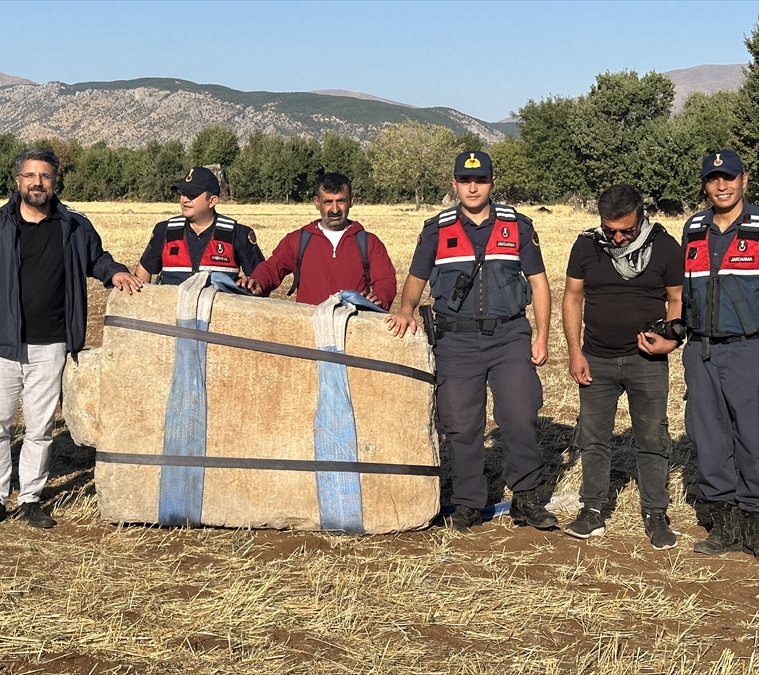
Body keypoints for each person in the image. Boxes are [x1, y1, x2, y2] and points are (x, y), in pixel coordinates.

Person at [0, 147, 141, 529]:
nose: (37, 183)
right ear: (18, 181)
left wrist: (115, 272)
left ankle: (30, 498)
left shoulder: (74, 225)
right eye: (30, 175)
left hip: (51, 343)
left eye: (44, 176)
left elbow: (97, 258)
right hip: (0, 344)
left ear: (54, 181)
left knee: (40, 429)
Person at [386, 151, 556, 532]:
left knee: (520, 414)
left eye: (480, 180)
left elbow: (539, 284)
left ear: (492, 182)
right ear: (454, 184)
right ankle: (468, 502)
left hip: (509, 336)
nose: (472, 187)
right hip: (456, 340)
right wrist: (406, 309)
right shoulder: (436, 229)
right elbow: (415, 279)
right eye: (465, 180)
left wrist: (542, 336)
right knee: (461, 425)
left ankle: (526, 498)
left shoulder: (518, 227)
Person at [682, 150, 759, 564]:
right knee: (709, 438)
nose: (722, 185)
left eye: (729, 177)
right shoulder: (693, 228)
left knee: (756, 437)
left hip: (754, 349)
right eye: (713, 178)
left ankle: (758, 527)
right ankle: (725, 525)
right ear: (704, 185)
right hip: (702, 352)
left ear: (744, 180)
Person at [561, 184, 684, 549]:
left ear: (641, 218)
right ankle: (592, 510)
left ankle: (655, 513)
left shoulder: (665, 246)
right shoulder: (585, 245)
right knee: (592, 437)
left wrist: (671, 339)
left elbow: (677, 299)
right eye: (609, 230)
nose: (616, 238)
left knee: (652, 437)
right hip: (596, 357)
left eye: (626, 231)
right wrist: (575, 352)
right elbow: (572, 298)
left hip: (647, 361)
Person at [237, 173, 397, 309]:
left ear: (351, 201)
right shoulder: (298, 240)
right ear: (317, 203)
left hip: (352, 327)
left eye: (341, 201)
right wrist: (258, 282)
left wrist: (380, 298)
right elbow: (272, 268)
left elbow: (385, 280)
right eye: (328, 202)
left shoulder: (369, 243)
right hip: (308, 327)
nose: (335, 209)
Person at [133, 166, 263, 285]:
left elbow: (260, 280)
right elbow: (143, 270)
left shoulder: (237, 233)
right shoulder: (165, 231)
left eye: (192, 194)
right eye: (183, 193)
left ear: (212, 201)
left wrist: (249, 285)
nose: (185, 200)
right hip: (172, 303)